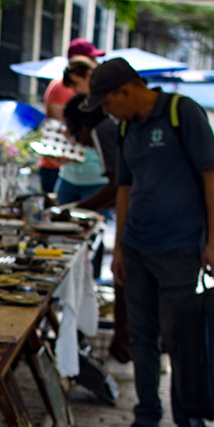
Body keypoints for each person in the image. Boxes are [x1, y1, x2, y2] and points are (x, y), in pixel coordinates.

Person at [81, 58, 214, 427]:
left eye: (107, 104)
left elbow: (213, 176)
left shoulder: (182, 113)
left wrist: (213, 243)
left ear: (126, 91)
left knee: (179, 342)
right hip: (138, 248)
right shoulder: (127, 127)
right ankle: (146, 422)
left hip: (179, 250)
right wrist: (120, 248)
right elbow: (124, 188)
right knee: (141, 339)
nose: (106, 114)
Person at [62, 96, 129, 362]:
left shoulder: (103, 130)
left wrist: (78, 208)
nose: (78, 140)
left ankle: (124, 347)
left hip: (141, 222)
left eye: (75, 129)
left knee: (124, 281)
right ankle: (124, 346)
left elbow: (118, 186)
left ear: (85, 123)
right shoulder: (108, 127)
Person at [37, 38, 104, 194]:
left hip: (93, 175)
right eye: (91, 58)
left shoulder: (103, 97)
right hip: (67, 170)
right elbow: (57, 128)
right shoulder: (62, 88)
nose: (95, 62)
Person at [54, 62, 107, 207]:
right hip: (69, 177)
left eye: (75, 83)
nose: (74, 89)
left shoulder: (106, 107)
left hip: (97, 180)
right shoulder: (74, 103)